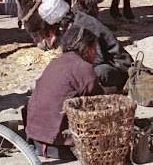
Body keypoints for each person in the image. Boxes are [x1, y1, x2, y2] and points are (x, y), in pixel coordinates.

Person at [25, 26, 104, 160]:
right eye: (94, 48)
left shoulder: (55, 62)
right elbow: (99, 102)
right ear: (85, 49)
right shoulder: (84, 68)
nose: (96, 53)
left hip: (35, 138)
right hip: (61, 145)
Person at [37, 0, 133, 92]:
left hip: (119, 68)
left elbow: (98, 58)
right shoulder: (76, 21)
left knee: (91, 73)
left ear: (58, 23)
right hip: (108, 63)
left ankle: (112, 89)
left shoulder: (85, 26)